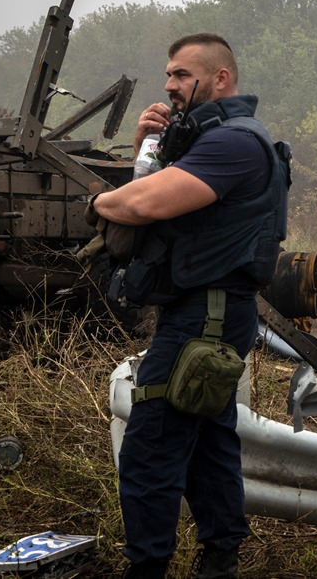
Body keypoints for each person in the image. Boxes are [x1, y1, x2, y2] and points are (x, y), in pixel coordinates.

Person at [93, 32, 289, 579]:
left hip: (207, 316)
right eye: (169, 74)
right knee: (206, 436)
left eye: (181, 74)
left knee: (150, 445)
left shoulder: (235, 143)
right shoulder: (208, 139)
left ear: (219, 79)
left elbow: (144, 203)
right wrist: (143, 144)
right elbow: (148, 185)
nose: (169, 85)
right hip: (205, 311)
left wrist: (97, 202)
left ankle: (147, 568)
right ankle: (222, 554)